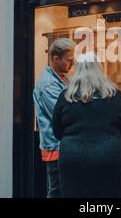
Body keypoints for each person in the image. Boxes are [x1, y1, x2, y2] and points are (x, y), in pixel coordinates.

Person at [52, 52, 121, 198]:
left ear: (77, 70)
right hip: (108, 161)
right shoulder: (115, 95)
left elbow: (57, 133)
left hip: (73, 162)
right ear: (99, 69)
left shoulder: (65, 97)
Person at [33, 38, 75, 198]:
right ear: (56, 59)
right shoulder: (48, 85)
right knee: (57, 192)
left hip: (62, 146)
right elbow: (65, 116)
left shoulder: (62, 78)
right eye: (69, 60)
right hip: (56, 148)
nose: (72, 64)